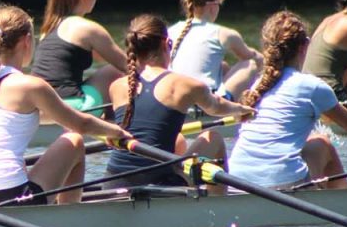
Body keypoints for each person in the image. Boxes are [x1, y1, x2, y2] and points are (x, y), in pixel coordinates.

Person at [0, 5, 133, 206]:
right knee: (74, 140)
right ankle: (69, 216)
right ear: (26, 41)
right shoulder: (31, 85)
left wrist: (67, 119)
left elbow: (26, 117)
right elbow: (82, 125)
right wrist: (117, 132)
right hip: (6, 196)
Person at [228, 11, 347, 189]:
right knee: (323, 143)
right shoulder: (312, 86)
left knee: (314, 142)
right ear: (305, 46)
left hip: (237, 183)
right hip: (283, 184)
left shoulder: (259, 85)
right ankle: (343, 201)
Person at [104, 15, 255, 189]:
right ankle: (218, 208)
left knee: (179, 140)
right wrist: (241, 109)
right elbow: (217, 107)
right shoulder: (186, 85)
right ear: (167, 44)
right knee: (213, 138)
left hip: (112, 182)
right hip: (158, 185)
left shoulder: (116, 86)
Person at [31, 0, 127, 112]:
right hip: (70, 109)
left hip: (39, 107)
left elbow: (101, 56)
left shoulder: (49, 28)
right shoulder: (87, 29)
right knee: (112, 71)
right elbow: (127, 65)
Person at [167, 0, 263, 99]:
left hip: (174, 100)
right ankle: (232, 107)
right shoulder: (224, 34)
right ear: (212, 6)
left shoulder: (170, 30)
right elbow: (253, 57)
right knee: (250, 64)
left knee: (223, 67)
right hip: (206, 106)